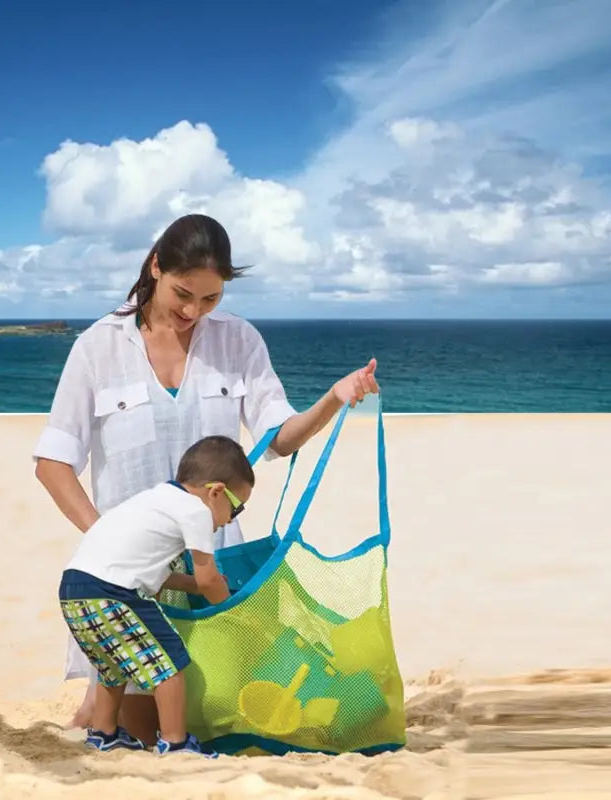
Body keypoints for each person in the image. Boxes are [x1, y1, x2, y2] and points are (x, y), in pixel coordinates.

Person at [33, 213, 379, 743]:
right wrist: (107, 540)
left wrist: (334, 397)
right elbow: (53, 462)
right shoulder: (96, 347)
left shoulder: (239, 341)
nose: (194, 312)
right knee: (146, 730)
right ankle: (98, 712)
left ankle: (99, 712)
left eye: (210, 299)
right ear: (155, 266)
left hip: (208, 570)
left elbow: (278, 439)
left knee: (224, 723)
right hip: (133, 582)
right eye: (182, 294)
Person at [58, 435, 254, 757]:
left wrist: (195, 584)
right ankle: (175, 742)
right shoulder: (196, 511)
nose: (231, 519)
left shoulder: (157, 499)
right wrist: (231, 611)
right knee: (170, 660)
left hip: (75, 589)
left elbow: (160, 580)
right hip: (113, 593)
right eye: (236, 508)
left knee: (113, 665)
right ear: (216, 492)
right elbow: (208, 580)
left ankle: (104, 733)